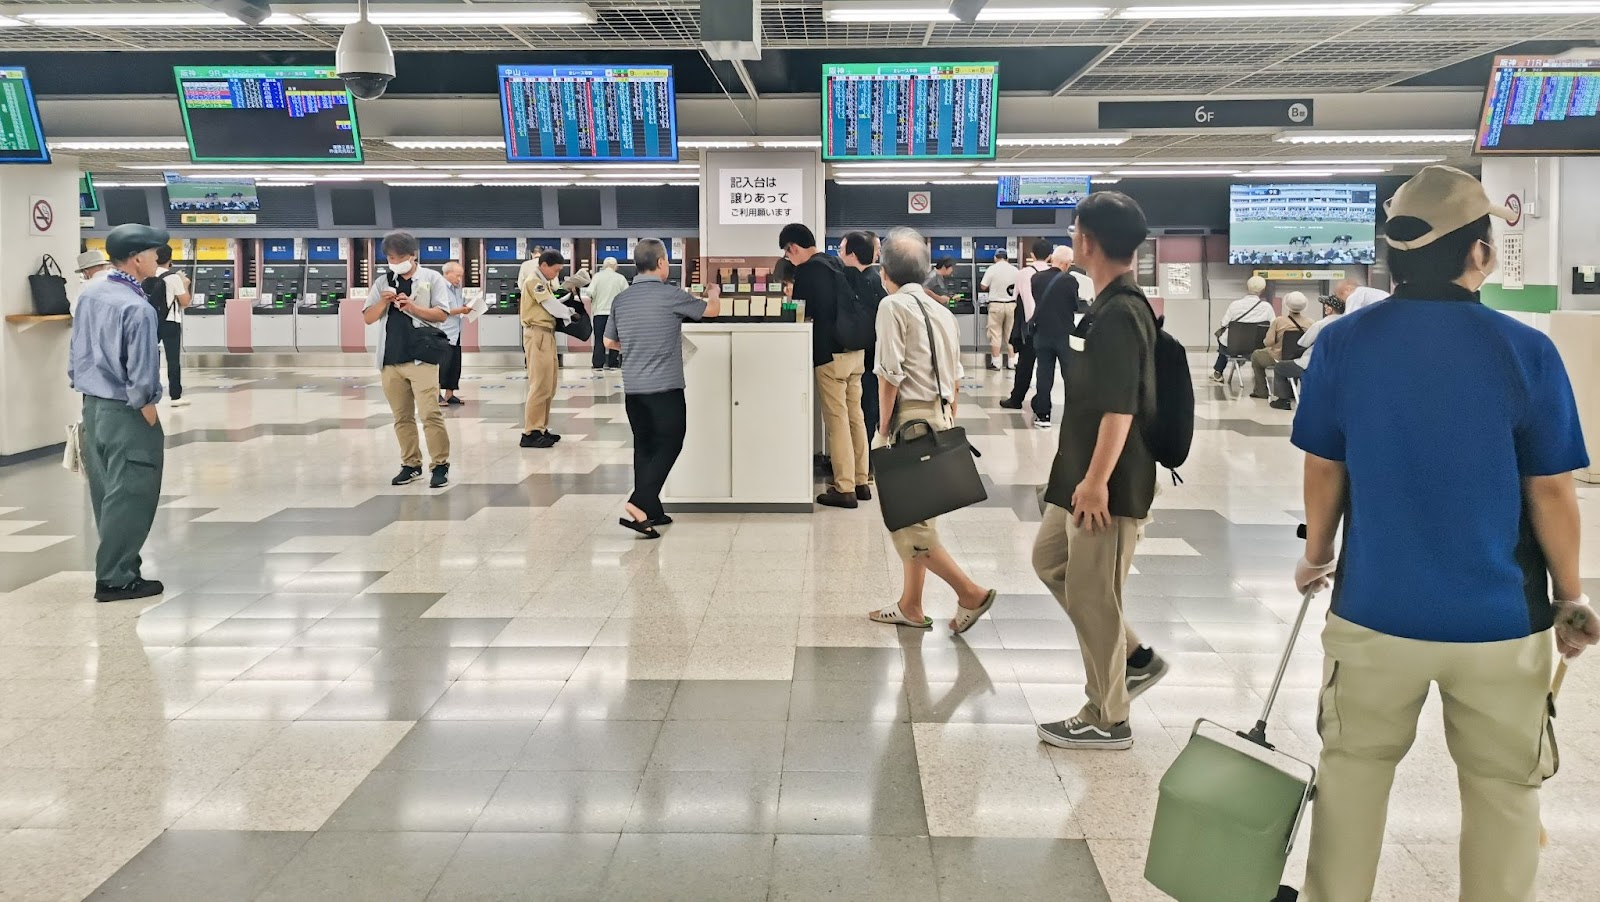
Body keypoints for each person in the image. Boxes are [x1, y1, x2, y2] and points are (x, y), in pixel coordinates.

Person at [1291, 164, 1597, 902]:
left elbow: (1325, 469)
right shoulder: (1525, 351)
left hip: (1373, 614)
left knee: (1353, 779)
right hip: (1499, 622)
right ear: (1480, 254)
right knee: (1503, 796)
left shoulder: (1343, 344)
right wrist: (1570, 594)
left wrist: (1316, 555)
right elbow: (1551, 491)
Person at [1033, 192, 1165, 751]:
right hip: (1078, 472)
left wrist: (1094, 482)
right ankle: (1132, 658)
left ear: (1087, 241)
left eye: (1074, 232)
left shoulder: (1121, 313)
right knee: (1051, 562)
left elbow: (1121, 407)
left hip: (1104, 484)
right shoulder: (1104, 303)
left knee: (1092, 592)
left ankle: (1108, 716)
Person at [865, 228, 997, 633]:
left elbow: (889, 375)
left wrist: (883, 431)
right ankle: (911, 604)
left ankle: (970, 592)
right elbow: (955, 377)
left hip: (908, 420)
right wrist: (948, 418)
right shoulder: (942, 311)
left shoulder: (892, 306)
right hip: (940, 417)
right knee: (919, 516)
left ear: (885, 271)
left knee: (907, 524)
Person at [68, 223, 171, 602]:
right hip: (126, 411)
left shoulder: (91, 292)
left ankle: (120, 568)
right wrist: (146, 407)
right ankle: (116, 578)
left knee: (108, 494)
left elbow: (76, 353)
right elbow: (141, 371)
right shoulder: (137, 308)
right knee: (133, 493)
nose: (159, 259)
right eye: (156, 252)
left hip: (93, 410)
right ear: (138, 257)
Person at [605, 239, 722, 539]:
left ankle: (652, 510)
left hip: (634, 390)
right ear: (660, 263)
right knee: (672, 441)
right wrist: (714, 292)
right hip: (665, 387)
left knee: (644, 446)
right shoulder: (670, 295)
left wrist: (634, 347)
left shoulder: (622, 299)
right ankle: (639, 502)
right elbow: (711, 311)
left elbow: (609, 343)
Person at [782, 223, 869, 509]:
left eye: (787, 253)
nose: (789, 259)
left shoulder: (808, 270)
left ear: (793, 247)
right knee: (855, 416)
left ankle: (844, 488)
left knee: (837, 421)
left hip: (830, 356)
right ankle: (861, 481)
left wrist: (789, 298)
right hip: (855, 351)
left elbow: (800, 311)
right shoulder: (834, 262)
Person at [363, 230, 453, 488]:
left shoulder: (432, 278)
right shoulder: (382, 281)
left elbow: (442, 315)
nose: (395, 261)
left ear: (413, 255)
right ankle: (411, 464)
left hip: (421, 358)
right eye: (390, 257)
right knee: (401, 417)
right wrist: (383, 302)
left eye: (400, 256)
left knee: (429, 413)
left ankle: (440, 465)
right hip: (391, 359)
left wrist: (411, 307)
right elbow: (368, 317)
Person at [840, 231, 886, 455]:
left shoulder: (865, 282)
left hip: (868, 358)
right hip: (872, 356)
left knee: (866, 409)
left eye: (841, 250)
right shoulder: (873, 279)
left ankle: (865, 460)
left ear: (853, 254)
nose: (839, 255)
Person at [1029, 245, 1083, 430]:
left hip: (1042, 334)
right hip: (1064, 335)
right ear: (1067, 263)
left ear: (1052, 258)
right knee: (1070, 375)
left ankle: (1043, 416)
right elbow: (1075, 306)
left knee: (1044, 375)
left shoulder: (1036, 278)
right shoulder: (1071, 281)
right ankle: (1074, 416)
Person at [517, 249, 567, 448]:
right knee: (539, 384)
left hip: (547, 334)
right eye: (555, 271)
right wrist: (569, 313)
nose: (557, 275)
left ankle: (542, 428)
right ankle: (531, 432)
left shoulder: (543, 282)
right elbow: (550, 305)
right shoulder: (533, 281)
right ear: (544, 265)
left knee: (549, 383)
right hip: (537, 334)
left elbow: (551, 302)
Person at [999, 239, 1054, 410]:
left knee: (1025, 365)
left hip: (1029, 327)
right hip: (1049, 326)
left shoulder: (1023, 273)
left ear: (1032, 254)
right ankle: (1043, 401)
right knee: (1046, 366)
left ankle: (1016, 399)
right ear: (1050, 256)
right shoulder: (1055, 273)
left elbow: (1017, 297)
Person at [1270, 295, 1343, 410]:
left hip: (1314, 364)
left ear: (1330, 309)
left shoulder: (1320, 324)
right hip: (1338, 365)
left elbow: (1303, 343)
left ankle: (1283, 400)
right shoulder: (1350, 322)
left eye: (1326, 305)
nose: (1325, 306)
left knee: (1280, 367)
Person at [143, 245, 191, 408]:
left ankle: (148, 393)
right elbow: (185, 302)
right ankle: (175, 397)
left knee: (148, 357)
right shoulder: (173, 278)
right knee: (172, 360)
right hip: (170, 322)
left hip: (151, 321)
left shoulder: (146, 275)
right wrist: (185, 284)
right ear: (170, 259)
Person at [1248, 290, 1312, 400]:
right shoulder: (1311, 323)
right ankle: (1292, 390)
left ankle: (1261, 390)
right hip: (1300, 358)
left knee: (1256, 356)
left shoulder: (1279, 321)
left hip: (1277, 357)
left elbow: (1268, 342)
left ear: (1287, 305)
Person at [1211, 275, 1274, 382]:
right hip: (1257, 347)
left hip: (1233, 346)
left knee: (1223, 338)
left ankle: (1218, 372)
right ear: (1262, 290)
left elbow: (1223, 323)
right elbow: (1273, 325)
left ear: (1247, 287)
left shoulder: (1235, 305)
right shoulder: (1267, 307)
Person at [437, 260, 472, 406]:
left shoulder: (457, 289)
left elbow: (458, 305)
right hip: (443, 331)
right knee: (441, 365)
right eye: (457, 276)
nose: (459, 279)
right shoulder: (439, 288)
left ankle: (450, 394)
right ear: (446, 274)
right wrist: (461, 310)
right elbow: (441, 310)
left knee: (454, 364)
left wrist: (466, 307)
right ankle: (436, 394)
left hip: (456, 331)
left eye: (461, 276)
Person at [981, 249, 1019, 370]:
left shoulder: (992, 269)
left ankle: (996, 363)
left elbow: (983, 286)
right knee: (1010, 334)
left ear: (995, 258)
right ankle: (1012, 362)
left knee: (995, 334)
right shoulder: (1015, 270)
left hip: (996, 305)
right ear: (1007, 258)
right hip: (1011, 305)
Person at [588, 257, 628, 370]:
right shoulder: (620, 278)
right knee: (614, 339)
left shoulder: (597, 277)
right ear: (615, 266)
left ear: (604, 266)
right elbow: (626, 295)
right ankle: (613, 363)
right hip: (615, 314)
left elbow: (590, 292)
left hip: (599, 313)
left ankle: (598, 363)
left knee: (599, 339)